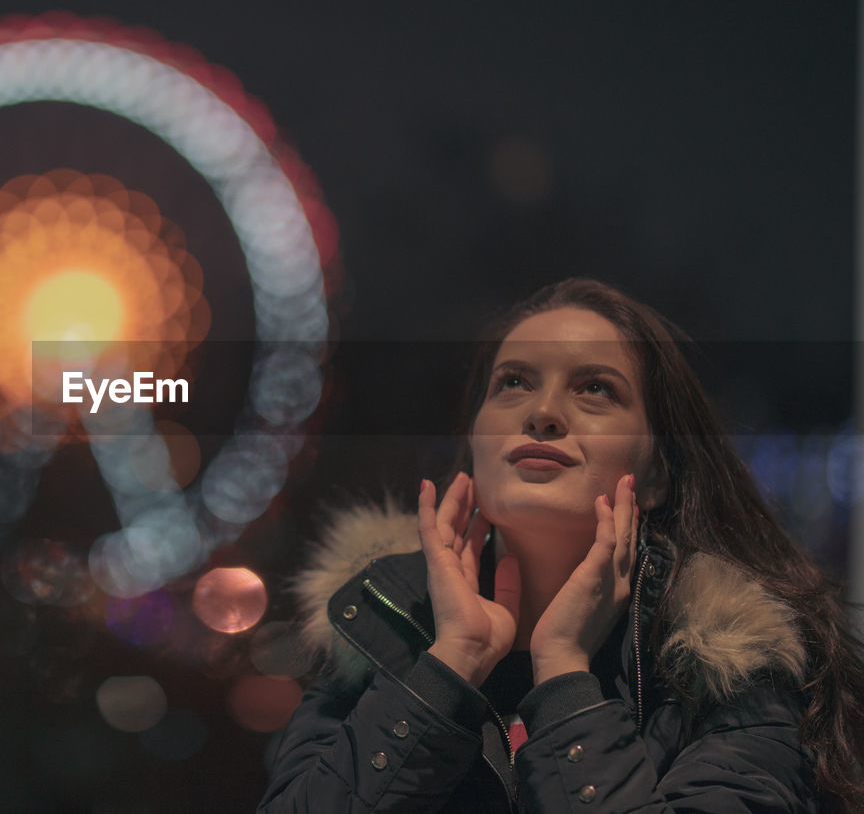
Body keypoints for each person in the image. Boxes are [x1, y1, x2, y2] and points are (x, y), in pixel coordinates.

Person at [258, 278, 864, 813]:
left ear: (655, 475)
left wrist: (565, 678)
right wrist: (448, 664)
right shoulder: (381, 632)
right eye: (513, 383)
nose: (543, 412)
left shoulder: (730, 674)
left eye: (596, 389)